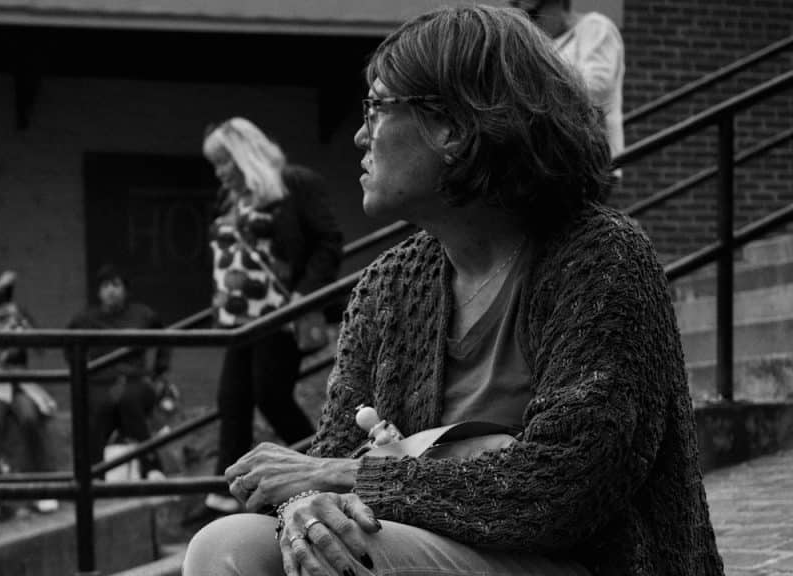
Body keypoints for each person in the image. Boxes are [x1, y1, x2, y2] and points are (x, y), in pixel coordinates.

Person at [184, 6, 723, 576]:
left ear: (456, 125)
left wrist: (346, 476)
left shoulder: (601, 258)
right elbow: (329, 454)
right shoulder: (388, 284)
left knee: (350, 559)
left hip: (580, 559)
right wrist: (302, 507)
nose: (361, 135)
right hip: (425, 541)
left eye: (377, 106)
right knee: (226, 548)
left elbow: (565, 486)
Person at [199, 117, 343, 516]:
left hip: (281, 316)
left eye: (225, 161)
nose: (220, 171)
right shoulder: (230, 197)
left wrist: (304, 295)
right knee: (232, 401)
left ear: (246, 152)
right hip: (238, 323)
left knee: (270, 395)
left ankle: (323, 468)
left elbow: (328, 242)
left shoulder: (294, 183)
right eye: (216, 164)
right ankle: (221, 494)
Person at [0, 270, 58, 520]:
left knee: (30, 417)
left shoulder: (16, 311)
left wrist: (23, 333)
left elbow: (40, 349)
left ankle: (42, 489)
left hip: (19, 380)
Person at [66, 263, 173, 478]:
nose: (111, 291)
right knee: (100, 405)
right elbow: (68, 345)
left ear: (125, 289)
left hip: (135, 380)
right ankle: (95, 475)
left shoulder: (142, 314)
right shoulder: (85, 319)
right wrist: (80, 372)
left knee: (129, 400)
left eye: (116, 285)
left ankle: (151, 468)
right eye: (105, 286)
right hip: (100, 381)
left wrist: (159, 372)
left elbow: (165, 339)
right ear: (99, 291)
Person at [510, 0, 625, 162]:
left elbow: (595, 89)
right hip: (552, 161)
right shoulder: (542, 43)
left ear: (560, 4)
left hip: (591, 162)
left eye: (532, 13)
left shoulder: (594, 27)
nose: (529, 23)